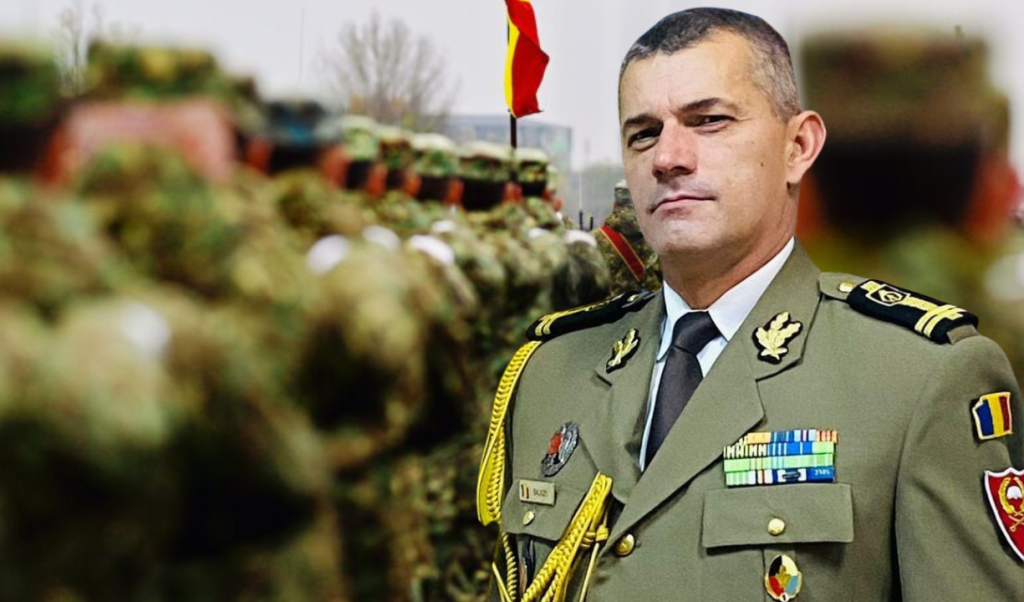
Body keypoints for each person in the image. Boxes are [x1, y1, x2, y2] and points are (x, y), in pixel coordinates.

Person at [477, 8, 1022, 602]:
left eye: (708, 120)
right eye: (643, 133)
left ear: (798, 146)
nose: (667, 157)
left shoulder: (918, 378)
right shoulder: (552, 372)